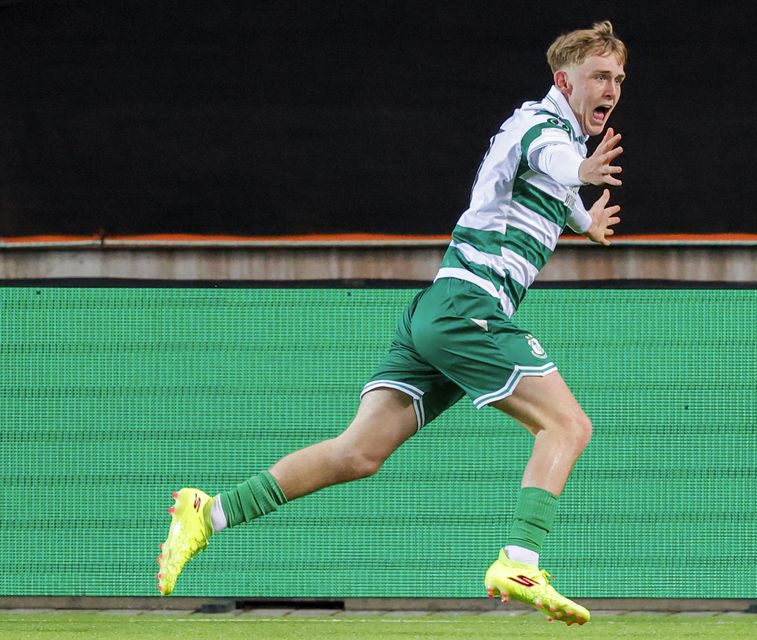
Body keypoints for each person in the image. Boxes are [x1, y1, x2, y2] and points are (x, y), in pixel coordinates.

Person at [157, 20, 626, 626]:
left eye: (617, 77)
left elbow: (550, 180)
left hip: (440, 309)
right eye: (599, 75)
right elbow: (555, 160)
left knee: (358, 453)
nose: (611, 87)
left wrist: (583, 219)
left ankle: (210, 511)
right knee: (568, 426)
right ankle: (519, 559)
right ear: (565, 80)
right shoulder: (545, 128)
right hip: (467, 309)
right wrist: (581, 179)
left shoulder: (550, 135)